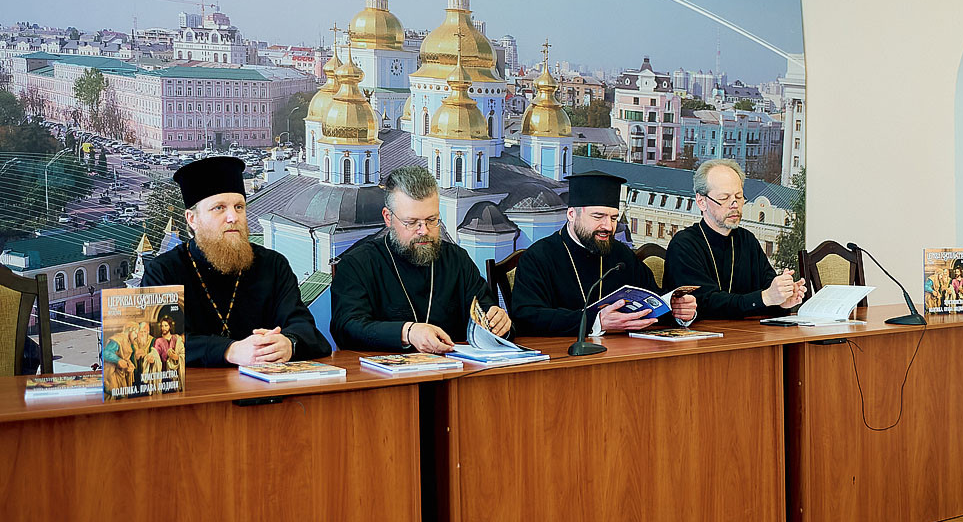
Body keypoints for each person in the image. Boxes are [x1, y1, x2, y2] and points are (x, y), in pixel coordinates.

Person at [141, 156, 330, 367]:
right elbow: (158, 343)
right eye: (219, 208)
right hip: (197, 387)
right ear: (192, 219)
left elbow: (304, 328)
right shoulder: (163, 272)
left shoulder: (273, 265)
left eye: (239, 207)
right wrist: (229, 350)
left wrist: (288, 343)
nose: (233, 217)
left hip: (263, 385)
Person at [331, 165, 510, 353]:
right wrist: (407, 332)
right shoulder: (358, 264)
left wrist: (499, 324)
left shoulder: (457, 260)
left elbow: (487, 312)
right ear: (388, 218)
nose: (424, 230)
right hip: (386, 370)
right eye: (411, 222)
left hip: (454, 367)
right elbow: (346, 327)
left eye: (432, 220)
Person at [511, 172, 697, 337]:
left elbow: (654, 301)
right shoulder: (539, 257)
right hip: (563, 356)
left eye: (614, 218)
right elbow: (527, 317)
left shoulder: (621, 255)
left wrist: (679, 310)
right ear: (571, 215)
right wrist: (595, 321)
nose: (608, 226)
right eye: (598, 217)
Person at [665, 159, 805, 319]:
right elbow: (704, 303)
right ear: (701, 202)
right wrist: (766, 297)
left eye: (739, 197)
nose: (734, 205)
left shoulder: (747, 240)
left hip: (749, 331)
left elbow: (768, 287)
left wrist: (783, 299)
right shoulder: (684, 245)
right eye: (724, 198)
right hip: (704, 333)